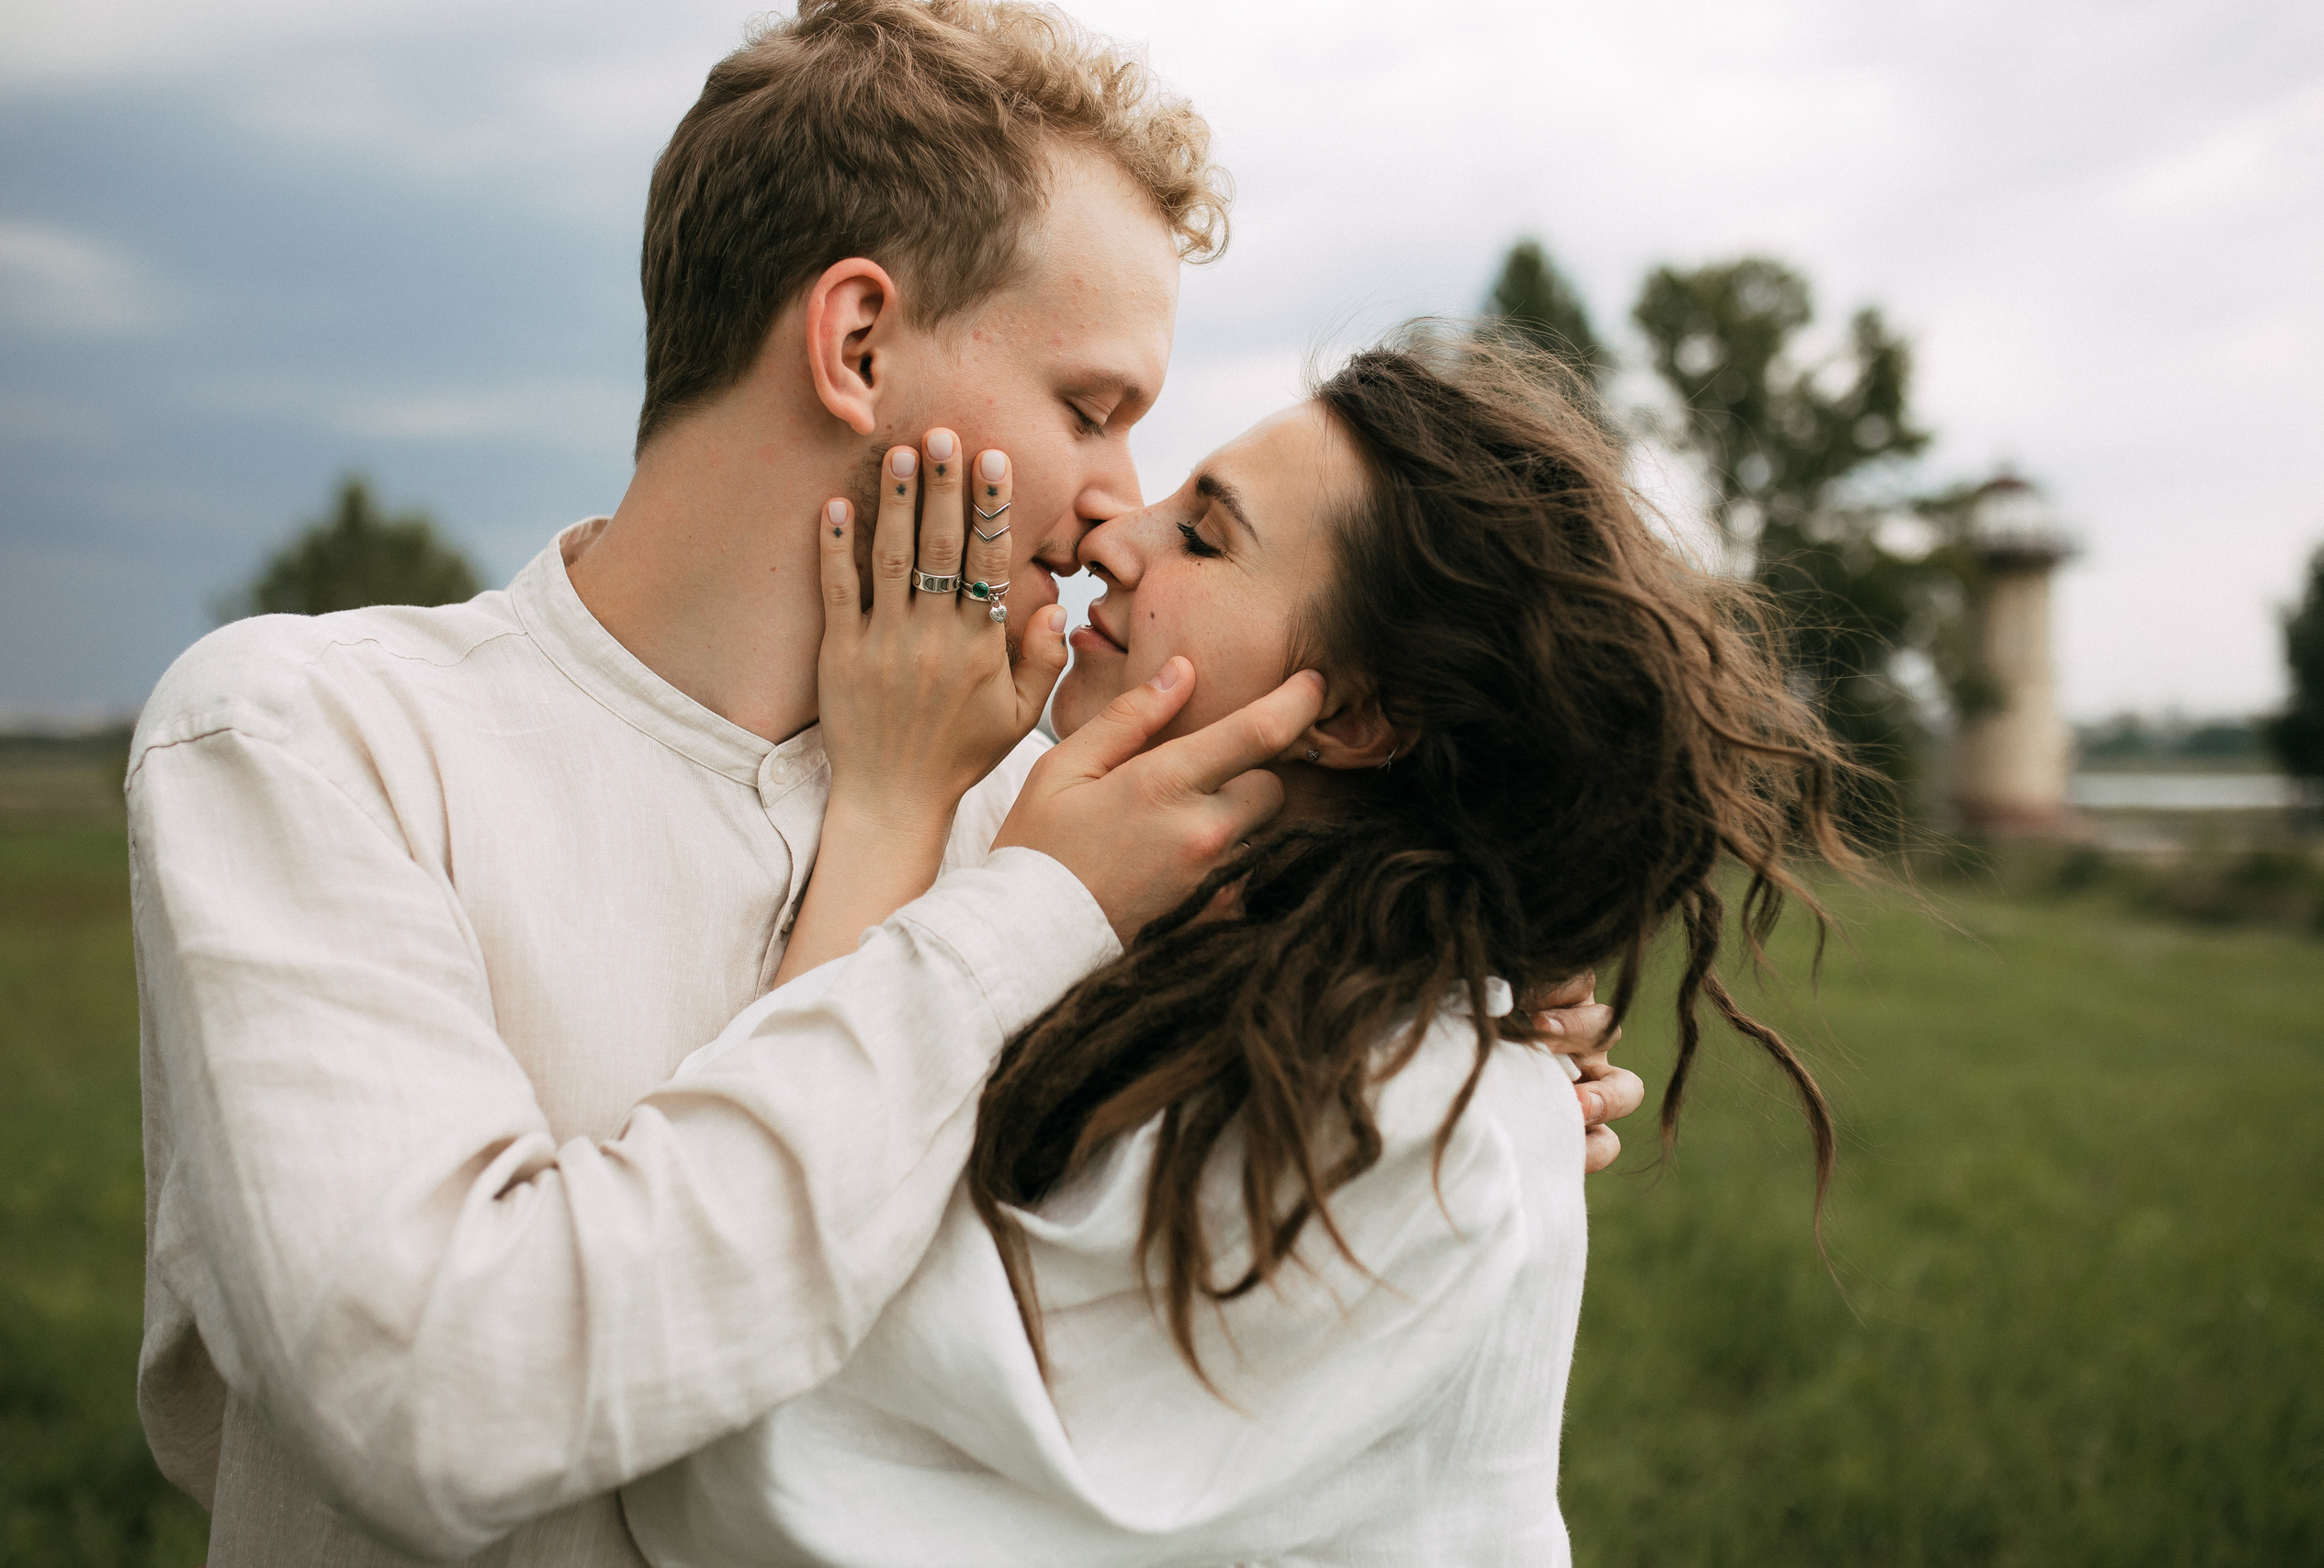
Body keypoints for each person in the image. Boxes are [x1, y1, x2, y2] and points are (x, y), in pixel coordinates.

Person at [128, 5, 1638, 1564]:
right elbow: (439, 1401)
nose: (1116, 504)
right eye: (1090, 410)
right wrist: (999, 893)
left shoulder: (1061, 827)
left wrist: (1445, 1059)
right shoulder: (308, 742)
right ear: (857, 347)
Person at [622, 326, 1855, 1566]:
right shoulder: (1165, 951)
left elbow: (741, 1418)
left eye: (1204, 538)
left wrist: (892, 812)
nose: (1113, 538)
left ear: (1356, 715)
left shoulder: (1407, 1125)